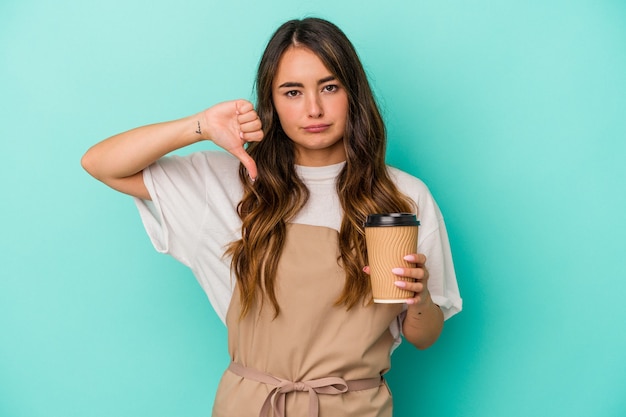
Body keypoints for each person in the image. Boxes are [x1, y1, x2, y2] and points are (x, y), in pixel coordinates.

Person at [82, 17, 461, 417]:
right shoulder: (230, 181)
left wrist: (417, 301)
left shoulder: (402, 196)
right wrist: (200, 126)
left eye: (329, 87)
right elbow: (101, 163)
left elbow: (425, 337)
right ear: (272, 102)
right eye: (292, 92)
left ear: (353, 93)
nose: (313, 109)